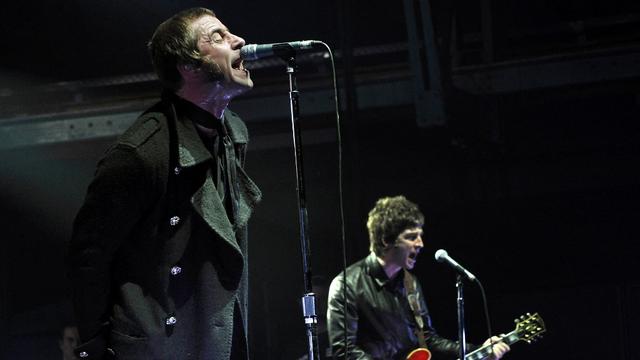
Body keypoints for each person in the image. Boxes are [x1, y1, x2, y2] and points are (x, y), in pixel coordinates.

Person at [68, 7, 261, 360]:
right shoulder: (141, 153)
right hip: (158, 345)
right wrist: (94, 345)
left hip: (213, 334)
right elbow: (89, 255)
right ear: (187, 66)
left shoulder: (234, 134)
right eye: (217, 37)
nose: (239, 41)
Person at [327, 196, 509, 360]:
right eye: (411, 237)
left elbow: (428, 340)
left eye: (420, 236)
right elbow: (344, 351)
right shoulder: (346, 285)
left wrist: (477, 350)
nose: (420, 244)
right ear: (385, 240)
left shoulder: (410, 283)